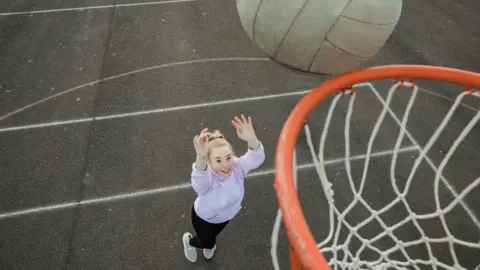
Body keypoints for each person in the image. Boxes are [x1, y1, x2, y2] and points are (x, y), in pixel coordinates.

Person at [182, 114, 266, 262]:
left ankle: (208, 243)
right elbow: (199, 181)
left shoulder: (237, 167)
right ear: (209, 161)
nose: (226, 164)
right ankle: (190, 242)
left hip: (225, 217)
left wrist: (252, 139)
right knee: (206, 240)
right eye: (218, 160)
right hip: (204, 218)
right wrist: (200, 158)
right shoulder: (208, 178)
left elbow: (256, 158)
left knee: (212, 236)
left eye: (228, 157)